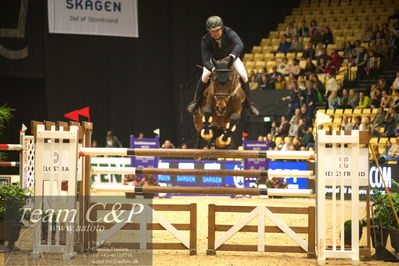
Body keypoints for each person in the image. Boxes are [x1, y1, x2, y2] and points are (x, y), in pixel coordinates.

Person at [186, 16, 259, 115]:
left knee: (244, 76)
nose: (215, 33)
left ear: (222, 28)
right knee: (204, 76)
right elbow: (205, 60)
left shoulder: (229, 32)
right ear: (209, 31)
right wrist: (213, 69)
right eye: (212, 31)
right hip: (215, 62)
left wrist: (232, 56)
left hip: (231, 60)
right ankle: (195, 102)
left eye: (217, 30)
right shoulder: (205, 39)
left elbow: (239, 45)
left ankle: (249, 104)